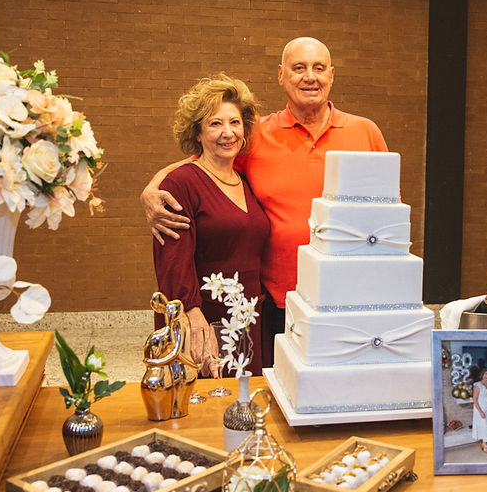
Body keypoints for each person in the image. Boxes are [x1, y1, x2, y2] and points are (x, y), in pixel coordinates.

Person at [142, 37, 388, 366]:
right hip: (277, 301)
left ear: (331, 75)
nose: (310, 76)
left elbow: (387, 215)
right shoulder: (256, 136)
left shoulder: (366, 132)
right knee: (277, 386)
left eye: (318, 68)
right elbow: (201, 164)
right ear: (281, 75)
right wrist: (151, 187)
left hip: (348, 297)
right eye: (298, 68)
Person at [151, 74, 270, 376]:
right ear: (198, 133)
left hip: (246, 319)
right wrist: (192, 316)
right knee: (208, 399)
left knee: (242, 397)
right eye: (215, 123)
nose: (227, 132)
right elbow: (172, 259)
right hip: (204, 320)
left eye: (235, 122)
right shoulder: (181, 183)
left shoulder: (246, 181)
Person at [472, 368, 487, 453]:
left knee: (486, 426)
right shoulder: (478, 385)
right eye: (485, 374)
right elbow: (475, 400)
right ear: (482, 375)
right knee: (484, 426)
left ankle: (483, 441)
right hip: (480, 410)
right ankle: (485, 445)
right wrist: (480, 411)